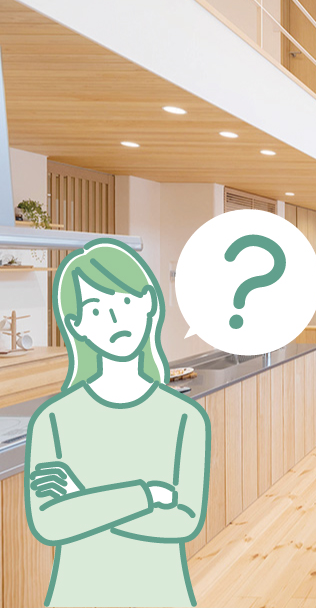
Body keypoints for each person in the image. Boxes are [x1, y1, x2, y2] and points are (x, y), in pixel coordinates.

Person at [24, 238, 210, 607]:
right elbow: (49, 524)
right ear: (77, 326)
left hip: (161, 595)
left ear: (148, 304)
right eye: (95, 310)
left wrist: (82, 498)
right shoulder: (53, 420)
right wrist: (148, 495)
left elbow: (183, 521)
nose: (113, 319)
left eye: (124, 302)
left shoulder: (184, 418)